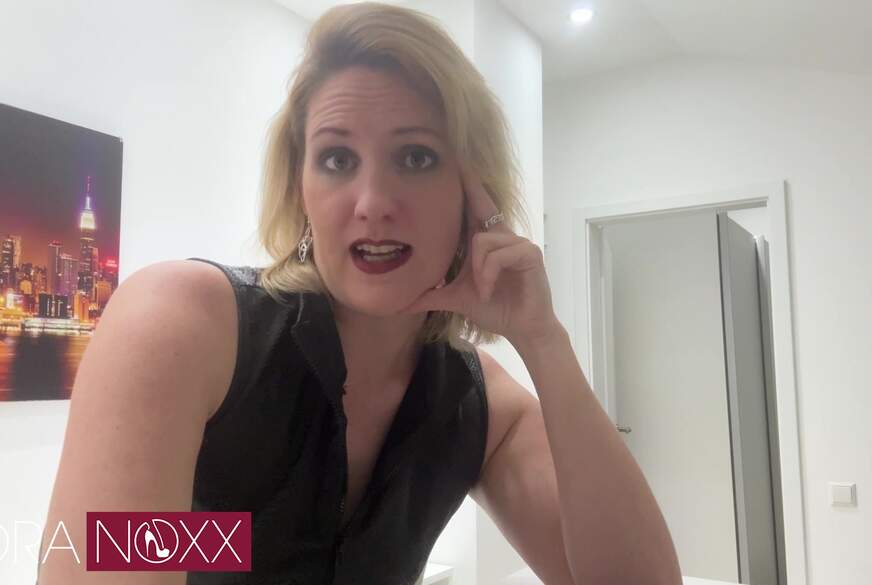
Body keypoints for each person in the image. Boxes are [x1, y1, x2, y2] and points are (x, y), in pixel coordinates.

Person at [37, 3, 682, 584]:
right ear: (300, 191)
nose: (372, 203)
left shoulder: (480, 408)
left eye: (417, 157)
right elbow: (112, 561)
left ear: (472, 193)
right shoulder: (185, 325)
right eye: (338, 160)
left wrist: (544, 341)